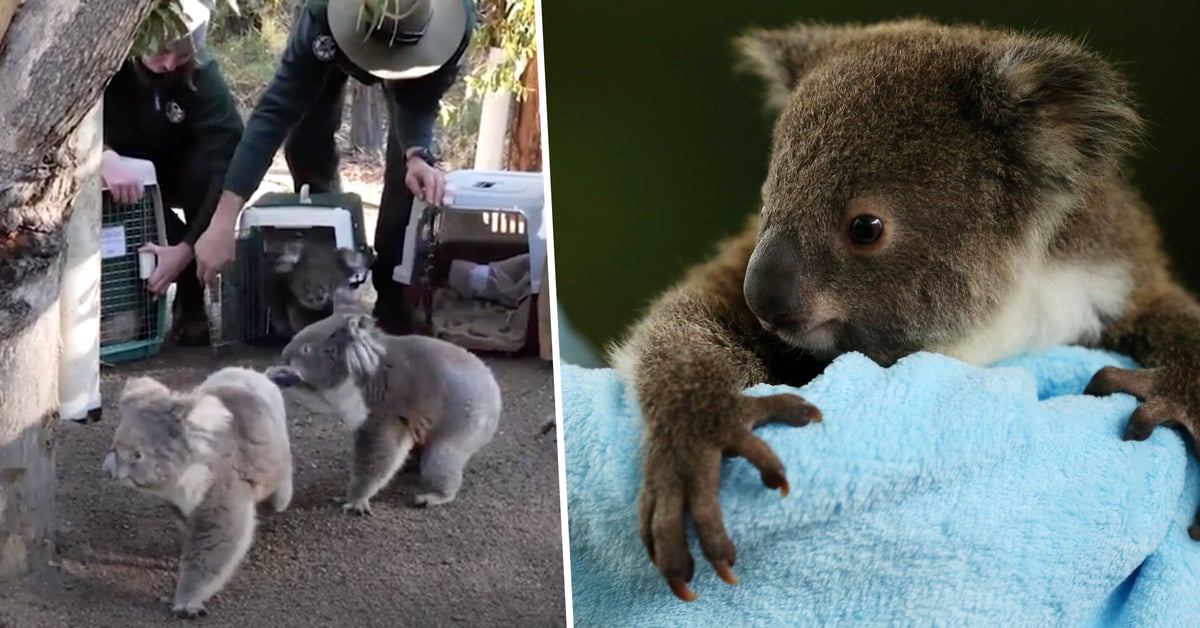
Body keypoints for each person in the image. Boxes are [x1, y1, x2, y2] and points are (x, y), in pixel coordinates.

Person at [191, 0, 476, 334]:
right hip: (337, 38)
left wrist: (417, 154)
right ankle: (326, 264)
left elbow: (420, 102)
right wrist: (224, 222)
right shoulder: (321, 13)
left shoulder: (455, 26)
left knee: (410, 176)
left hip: (416, 54)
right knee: (305, 144)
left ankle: (392, 295)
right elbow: (274, 114)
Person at [101, 0, 244, 346]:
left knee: (205, 171)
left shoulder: (203, 77)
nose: (167, 64)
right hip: (124, 174)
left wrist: (187, 246)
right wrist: (100, 157)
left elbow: (228, 160)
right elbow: (62, 124)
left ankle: (191, 300)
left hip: (184, 172)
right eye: (162, 51)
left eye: (180, 57)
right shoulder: (105, 63)